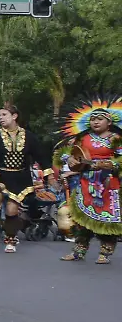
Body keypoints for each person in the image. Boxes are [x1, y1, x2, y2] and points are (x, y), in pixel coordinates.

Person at [54, 98, 122, 264]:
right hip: (86, 182)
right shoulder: (83, 139)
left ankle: (105, 252)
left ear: (109, 121)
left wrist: (109, 163)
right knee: (81, 219)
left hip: (108, 183)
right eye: (93, 119)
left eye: (100, 119)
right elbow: (64, 154)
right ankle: (78, 251)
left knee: (106, 219)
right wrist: (70, 159)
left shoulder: (116, 138)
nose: (95, 122)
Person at [0, 105, 51, 253]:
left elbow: (41, 157)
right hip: (0, 177)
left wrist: (50, 176)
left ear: (14, 116)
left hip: (19, 178)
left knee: (11, 210)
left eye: (4, 114)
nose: (1, 118)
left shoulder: (28, 136)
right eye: (0, 116)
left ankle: (11, 239)